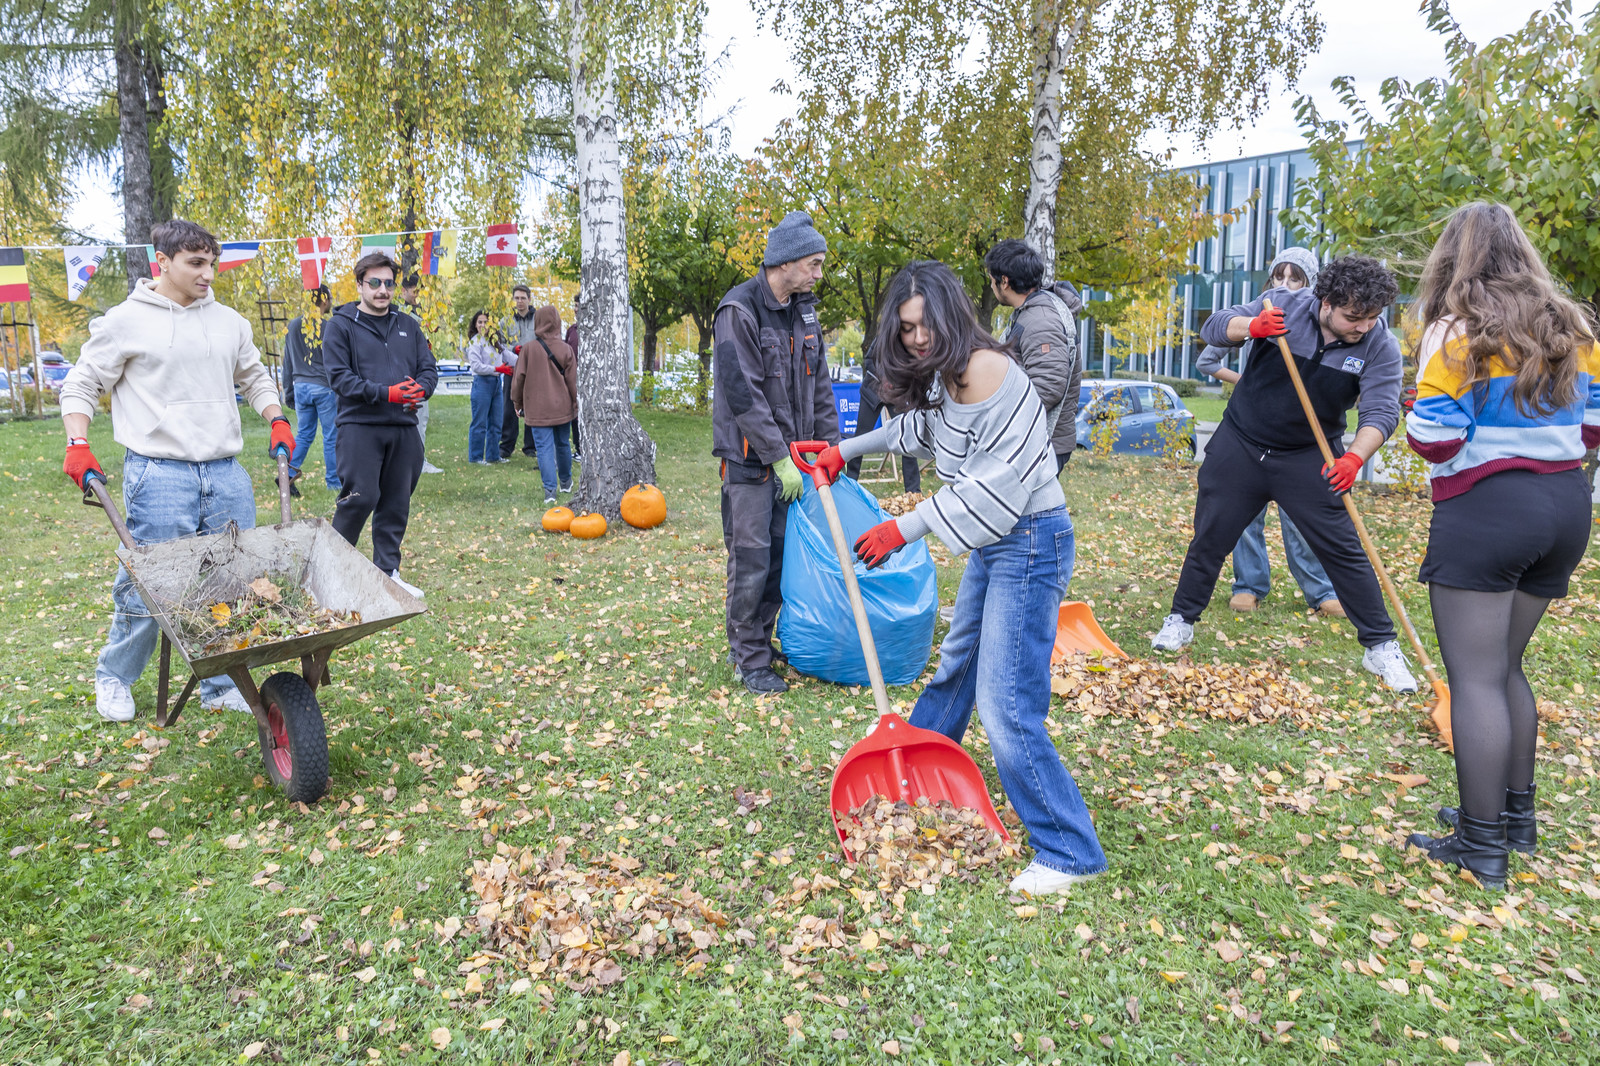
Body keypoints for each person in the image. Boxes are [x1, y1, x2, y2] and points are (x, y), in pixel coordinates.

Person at [808, 260, 1105, 896]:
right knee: (959, 666)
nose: (917, 338)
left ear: (950, 316)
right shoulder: (947, 375)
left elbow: (995, 484)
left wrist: (904, 528)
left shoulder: (989, 370)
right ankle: (913, 772)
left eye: (925, 324)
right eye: (906, 327)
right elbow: (919, 431)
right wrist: (844, 451)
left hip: (1032, 540)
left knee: (1006, 705)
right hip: (1001, 541)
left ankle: (1069, 850)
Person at [1401, 203, 1600, 888]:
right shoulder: (1570, 326)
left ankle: (1481, 845)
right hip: (1566, 503)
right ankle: (1516, 821)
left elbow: (1435, 439)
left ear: (1453, 258)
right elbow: (1593, 427)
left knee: (1477, 678)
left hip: (1489, 508)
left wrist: (1419, 409)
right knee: (1507, 666)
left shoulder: (1456, 332)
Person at [58, 219, 294, 722]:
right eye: (196, 263)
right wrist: (78, 443)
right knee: (152, 586)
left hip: (225, 472)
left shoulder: (230, 322)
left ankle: (220, 683)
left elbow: (254, 377)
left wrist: (276, 418)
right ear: (161, 262)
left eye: (212, 264)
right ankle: (115, 676)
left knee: (230, 580)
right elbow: (82, 384)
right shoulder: (125, 321)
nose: (208, 274)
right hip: (159, 473)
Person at [1151, 255, 1418, 692]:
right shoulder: (1281, 305)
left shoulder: (1379, 345)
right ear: (1326, 302)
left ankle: (1380, 646)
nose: (1364, 326)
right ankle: (1181, 618)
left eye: (1372, 317)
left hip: (1310, 456)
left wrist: (1354, 458)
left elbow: (1382, 410)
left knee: (1344, 549)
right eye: (1354, 317)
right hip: (1242, 444)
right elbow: (1215, 328)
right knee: (1210, 537)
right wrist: (1252, 327)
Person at [711, 210, 841, 695]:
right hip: (751, 462)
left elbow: (820, 386)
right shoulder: (738, 310)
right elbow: (742, 392)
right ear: (784, 262)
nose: (818, 275)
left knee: (783, 559)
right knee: (752, 559)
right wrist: (776, 455)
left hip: (798, 463)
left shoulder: (804, 311)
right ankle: (748, 658)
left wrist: (832, 452)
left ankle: (760, 643)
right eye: (814, 264)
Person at [1196, 247, 1342, 617]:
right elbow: (1207, 358)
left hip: (1300, 437)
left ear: (1312, 283)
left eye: (1295, 278)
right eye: (1279, 276)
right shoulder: (1263, 310)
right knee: (1246, 514)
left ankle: (1321, 590)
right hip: (1252, 431)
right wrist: (1247, 362)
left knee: (1301, 517)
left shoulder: (1321, 322)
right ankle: (1249, 585)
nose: (1285, 285)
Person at [323, 252, 437, 598]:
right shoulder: (340, 326)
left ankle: (388, 573)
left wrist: (421, 389)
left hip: (404, 428)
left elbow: (428, 368)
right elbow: (340, 378)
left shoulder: (408, 326)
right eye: (374, 283)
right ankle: (332, 575)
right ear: (360, 285)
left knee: (396, 503)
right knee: (360, 498)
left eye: (389, 283)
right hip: (360, 426)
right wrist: (386, 393)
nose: (383, 290)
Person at [983, 238, 1083, 473]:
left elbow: (1048, 386)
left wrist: (1002, 418)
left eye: (992, 280)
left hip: (1040, 444)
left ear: (1004, 281)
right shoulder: (1030, 313)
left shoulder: (1040, 321)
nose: (991, 287)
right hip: (1033, 441)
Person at [509, 305, 578, 504]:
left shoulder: (528, 349)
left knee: (544, 448)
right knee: (563, 444)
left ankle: (550, 491)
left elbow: (518, 379)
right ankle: (566, 482)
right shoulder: (566, 348)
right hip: (562, 406)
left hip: (537, 408)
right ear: (557, 322)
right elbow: (573, 381)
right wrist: (575, 403)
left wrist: (517, 402)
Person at [282, 286, 340, 497]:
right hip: (323, 387)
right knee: (331, 436)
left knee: (304, 435)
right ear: (324, 300)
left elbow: (287, 362)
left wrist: (288, 391)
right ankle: (334, 483)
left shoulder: (293, 325)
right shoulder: (328, 327)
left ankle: (287, 474)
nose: (331, 301)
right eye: (330, 297)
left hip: (300, 387)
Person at [843, 337, 922, 492]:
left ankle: (913, 490)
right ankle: (849, 483)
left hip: (896, 395)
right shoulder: (881, 338)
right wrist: (883, 379)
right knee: (860, 437)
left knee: (907, 436)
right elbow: (868, 361)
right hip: (872, 393)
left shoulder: (910, 342)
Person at [399, 274, 443, 475]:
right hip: (405, 374)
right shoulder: (401, 315)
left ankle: (418, 460)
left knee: (420, 420)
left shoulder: (425, 313)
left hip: (420, 374)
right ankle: (411, 461)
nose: (418, 295)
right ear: (403, 291)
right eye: (415, 291)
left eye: (421, 291)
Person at [465, 310, 513, 464]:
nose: (483, 325)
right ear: (475, 324)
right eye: (480, 322)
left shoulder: (494, 341)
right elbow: (476, 366)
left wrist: (525, 357)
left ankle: (493, 456)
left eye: (486, 322)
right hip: (482, 384)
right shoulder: (474, 342)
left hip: (496, 384)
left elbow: (507, 355)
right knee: (479, 422)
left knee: (496, 422)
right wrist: (497, 369)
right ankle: (476, 457)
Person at [500, 285, 538, 460]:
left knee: (532, 406)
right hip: (512, 370)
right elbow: (499, 345)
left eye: (523, 298)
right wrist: (512, 349)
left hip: (533, 369)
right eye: (517, 298)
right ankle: (506, 446)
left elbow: (543, 341)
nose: (520, 301)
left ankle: (530, 446)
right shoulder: (505, 321)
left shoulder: (538, 319)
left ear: (529, 299)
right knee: (509, 407)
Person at [564, 305, 582, 462]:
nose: (576, 309)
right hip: (572, 378)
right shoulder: (571, 330)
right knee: (574, 414)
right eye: (575, 306)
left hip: (589, 380)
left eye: (579, 305)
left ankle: (585, 449)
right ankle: (579, 448)